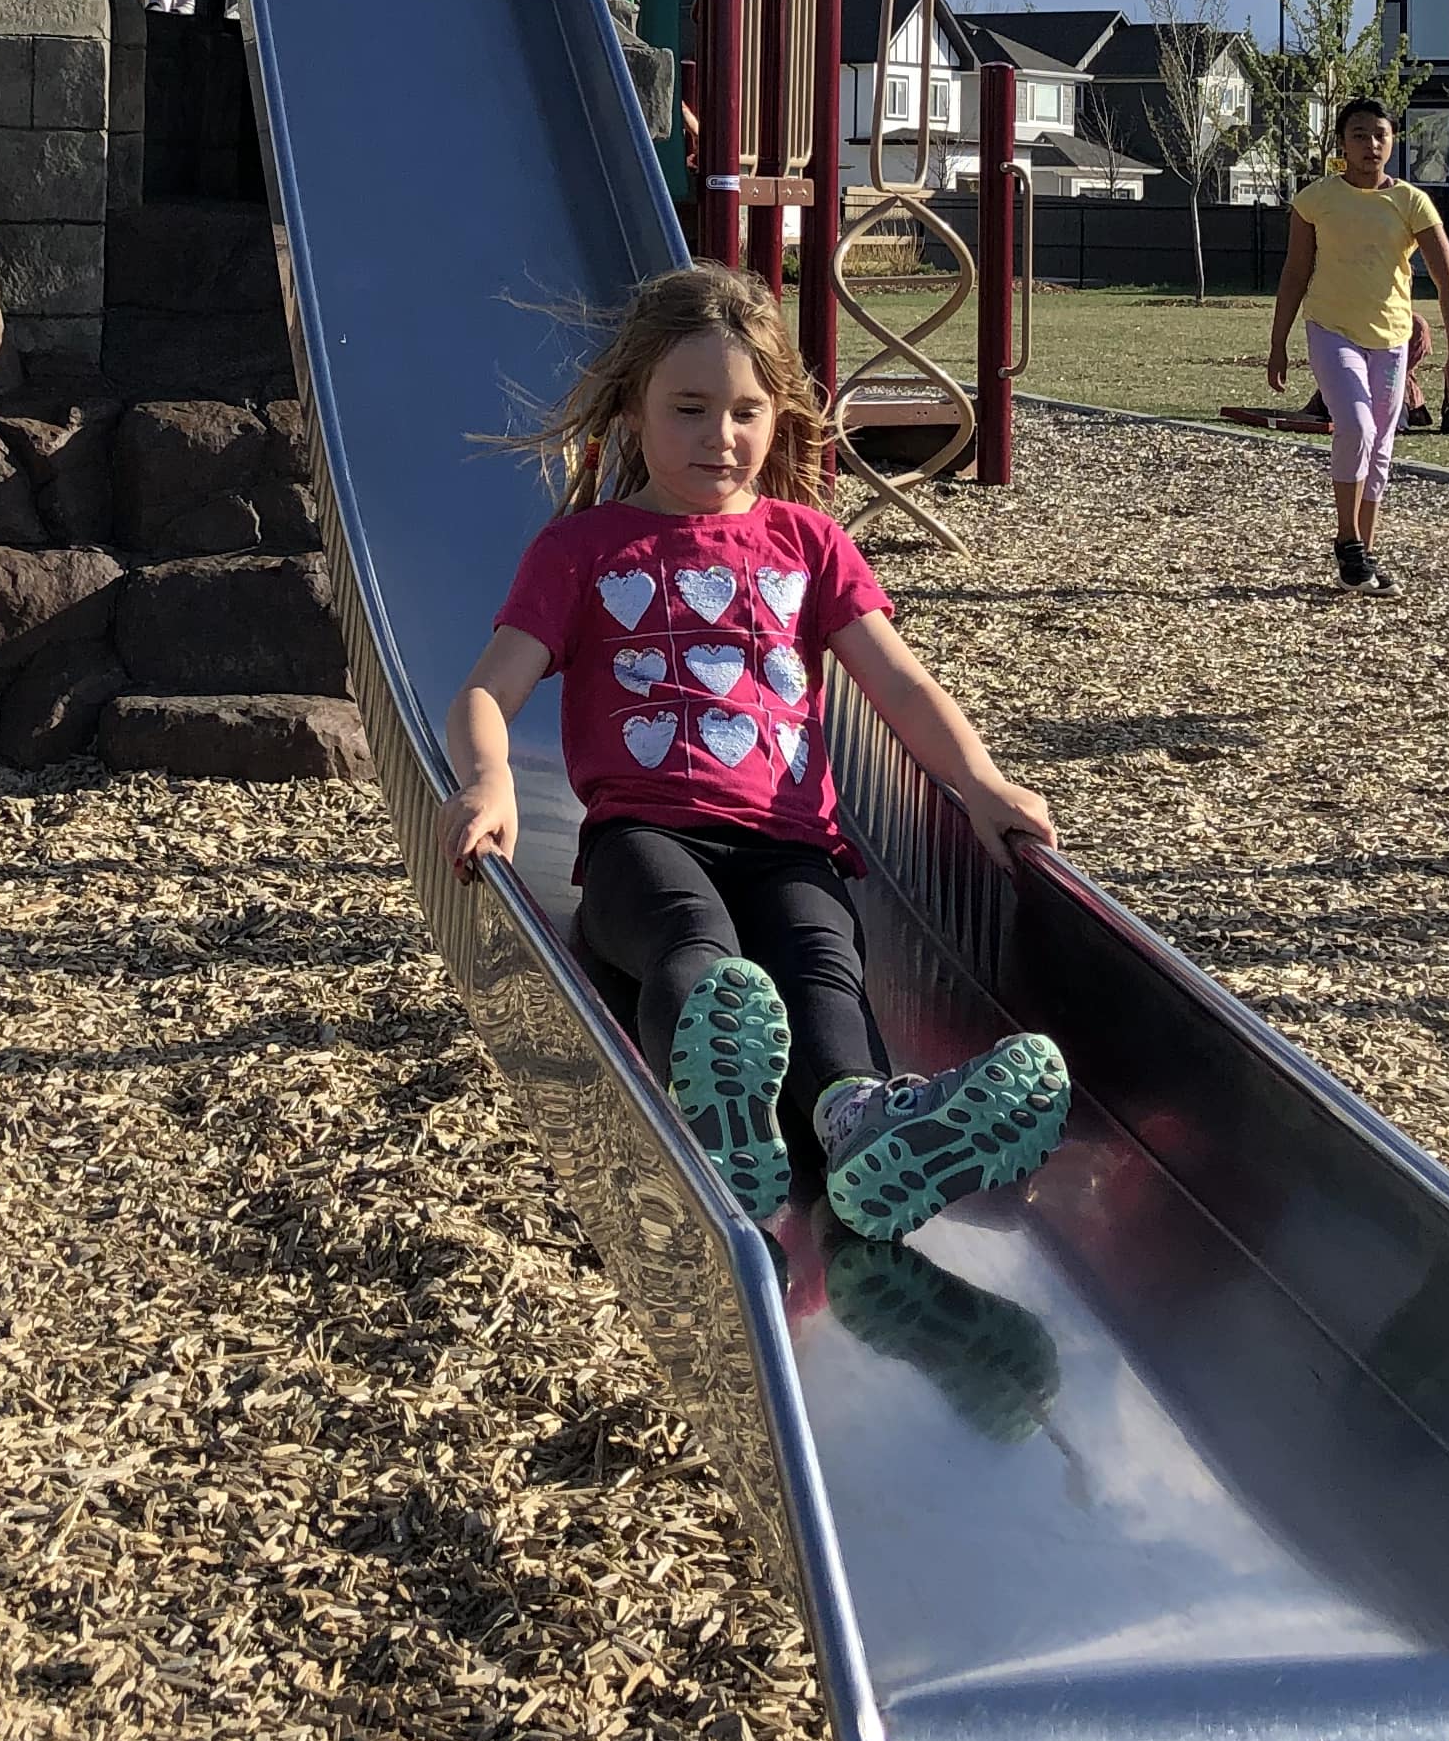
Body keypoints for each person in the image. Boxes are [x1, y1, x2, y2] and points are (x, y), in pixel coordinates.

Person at [441, 263, 1072, 1242]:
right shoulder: (585, 550)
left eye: (745, 410)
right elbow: (490, 688)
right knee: (697, 948)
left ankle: (862, 1125)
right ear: (632, 409)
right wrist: (489, 782)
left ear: (778, 417)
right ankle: (717, 1119)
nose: (720, 436)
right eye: (689, 409)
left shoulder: (809, 542)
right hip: (643, 838)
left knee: (821, 960)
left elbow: (899, 684)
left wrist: (980, 783)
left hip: (790, 843)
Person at [1267, 96, 1449, 596]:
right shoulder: (1316, 199)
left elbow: (1448, 281)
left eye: (1379, 134)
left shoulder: (1411, 203)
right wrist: (1277, 344)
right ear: (1342, 142)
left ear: (1393, 141)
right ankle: (1348, 541)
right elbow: (1295, 273)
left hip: (1392, 338)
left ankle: (1361, 557)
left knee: (1381, 444)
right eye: (1359, 134)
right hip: (1332, 330)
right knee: (1356, 427)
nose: (1370, 144)